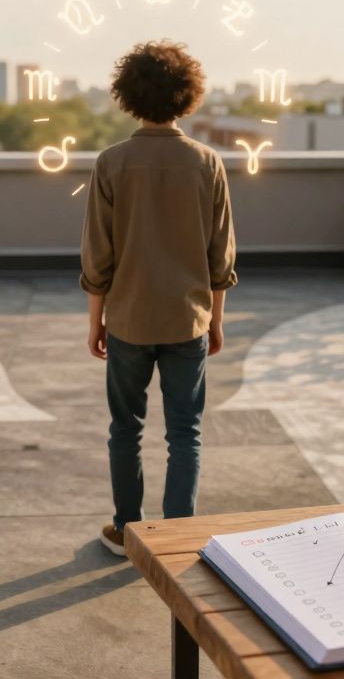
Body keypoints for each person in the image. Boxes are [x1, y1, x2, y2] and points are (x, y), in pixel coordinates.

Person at [79, 40, 237, 557]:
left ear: (129, 95)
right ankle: (176, 538)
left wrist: (96, 321)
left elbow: (97, 256)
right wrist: (215, 319)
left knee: (125, 429)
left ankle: (128, 531)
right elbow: (220, 255)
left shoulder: (112, 162)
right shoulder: (207, 162)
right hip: (187, 320)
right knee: (185, 433)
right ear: (186, 95)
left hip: (128, 319)